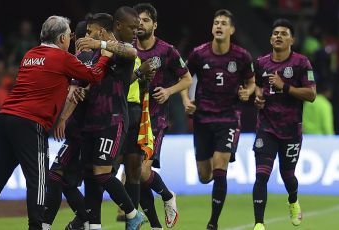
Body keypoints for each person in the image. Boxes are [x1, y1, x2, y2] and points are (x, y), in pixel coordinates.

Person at [0, 15, 112, 230]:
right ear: (62, 38)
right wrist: (104, 55)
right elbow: (93, 76)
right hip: (30, 122)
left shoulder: (29, 55)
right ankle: (36, 227)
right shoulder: (62, 58)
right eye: (69, 35)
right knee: (38, 180)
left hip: (6, 117)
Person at [183, 9, 255, 230]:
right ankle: (217, 183)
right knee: (205, 176)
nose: (219, 26)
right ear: (212, 28)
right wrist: (186, 100)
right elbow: (184, 77)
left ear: (231, 29)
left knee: (220, 164)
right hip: (203, 119)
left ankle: (213, 222)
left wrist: (248, 92)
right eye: (216, 23)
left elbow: (251, 82)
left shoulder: (242, 56)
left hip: (229, 119)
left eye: (224, 23)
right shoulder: (199, 54)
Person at [74, 7, 144, 230]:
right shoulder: (95, 53)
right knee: (89, 176)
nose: (135, 31)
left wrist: (99, 44)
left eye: (92, 32)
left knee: (102, 172)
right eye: (132, 27)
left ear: (104, 32)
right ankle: (93, 226)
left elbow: (131, 53)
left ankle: (133, 213)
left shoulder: (123, 48)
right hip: (91, 121)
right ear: (119, 25)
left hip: (112, 121)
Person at [132, 3, 193, 229]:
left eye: (145, 20)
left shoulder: (167, 51)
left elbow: (186, 79)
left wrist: (168, 91)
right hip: (131, 117)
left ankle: (167, 196)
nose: (140, 23)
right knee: (135, 174)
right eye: (137, 20)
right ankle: (156, 225)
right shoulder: (128, 48)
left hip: (155, 118)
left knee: (142, 170)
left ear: (155, 25)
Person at [252, 18, 316, 230]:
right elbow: (258, 87)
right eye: (275, 33)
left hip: (290, 131)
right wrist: (258, 97)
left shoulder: (301, 63)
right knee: (261, 175)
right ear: (271, 38)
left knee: (288, 175)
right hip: (266, 127)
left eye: (284, 33)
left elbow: (311, 94)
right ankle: (259, 224)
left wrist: (285, 87)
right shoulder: (261, 63)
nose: (278, 36)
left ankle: (293, 199)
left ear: (292, 40)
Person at [42, 20, 92, 230]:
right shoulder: (89, 59)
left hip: (80, 131)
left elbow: (74, 91)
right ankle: (85, 222)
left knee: (56, 176)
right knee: (67, 182)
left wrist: (62, 117)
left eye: (72, 35)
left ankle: (46, 225)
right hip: (83, 130)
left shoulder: (82, 58)